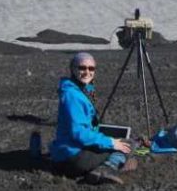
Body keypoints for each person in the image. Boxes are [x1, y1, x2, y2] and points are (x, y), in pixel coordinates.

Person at [50, 52, 135, 185]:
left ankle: (111, 164)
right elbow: (79, 133)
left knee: (120, 143)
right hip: (73, 158)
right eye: (82, 68)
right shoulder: (73, 95)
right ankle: (104, 170)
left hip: (66, 153)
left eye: (91, 68)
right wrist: (112, 143)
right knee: (128, 144)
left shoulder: (79, 90)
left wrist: (107, 140)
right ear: (73, 69)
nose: (87, 72)